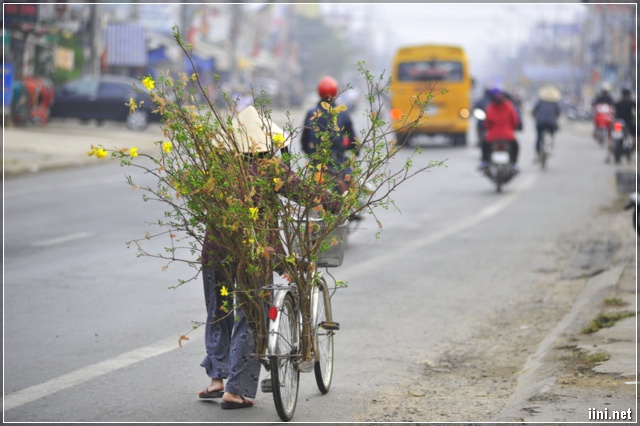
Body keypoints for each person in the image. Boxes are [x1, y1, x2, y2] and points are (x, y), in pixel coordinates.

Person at [198, 106, 341, 409]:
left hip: (215, 254)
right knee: (251, 318)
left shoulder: (219, 170)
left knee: (218, 315)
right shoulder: (270, 169)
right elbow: (303, 192)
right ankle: (235, 390)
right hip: (251, 255)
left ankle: (216, 379)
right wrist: (334, 202)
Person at [301, 76, 359, 196]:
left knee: (308, 190)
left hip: (316, 162)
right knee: (350, 183)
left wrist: (310, 154)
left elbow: (304, 141)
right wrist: (356, 149)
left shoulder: (311, 113)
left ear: (319, 92)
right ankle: (350, 205)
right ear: (335, 92)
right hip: (337, 161)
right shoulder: (342, 113)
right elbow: (353, 139)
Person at [479, 87, 521, 171]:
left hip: (492, 136)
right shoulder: (509, 106)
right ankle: (514, 163)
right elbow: (515, 121)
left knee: (484, 145)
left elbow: (486, 124)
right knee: (515, 146)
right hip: (508, 135)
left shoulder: (490, 108)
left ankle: (485, 162)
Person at [532, 85, 562, 162]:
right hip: (551, 123)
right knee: (552, 131)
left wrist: (534, 116)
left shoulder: (540, 102)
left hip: (540, 122)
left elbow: (534, 111)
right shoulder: (555, 103)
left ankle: (538, 155)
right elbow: (558, 113)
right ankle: (552, 140)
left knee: (539, 138)